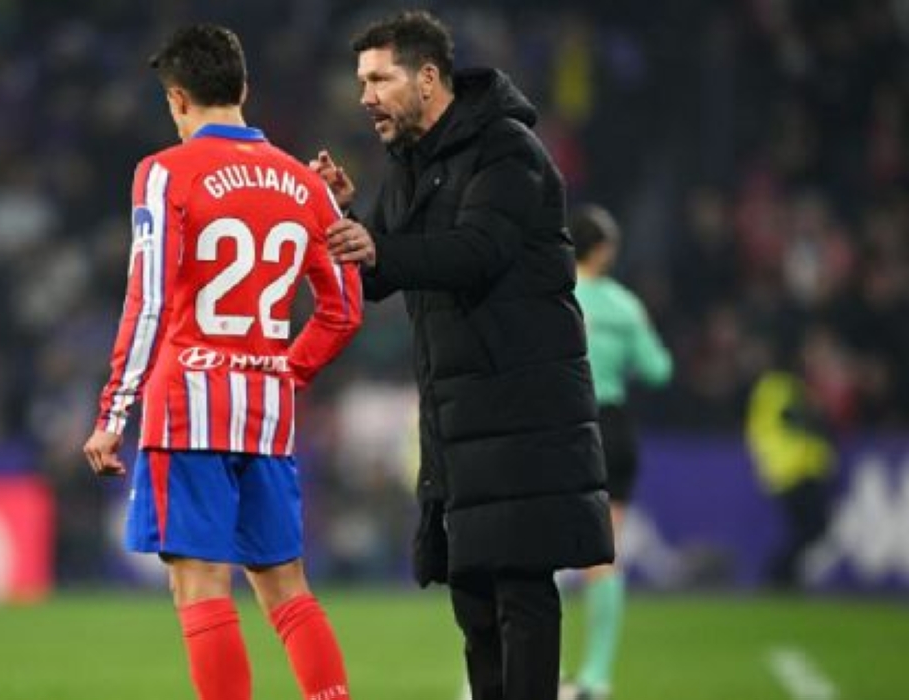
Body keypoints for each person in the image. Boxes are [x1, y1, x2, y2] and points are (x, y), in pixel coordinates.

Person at [314, 11, 613, 700]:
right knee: (474, 596)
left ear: (427, 77)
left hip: (524, 408)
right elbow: (380, 271)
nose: (364, 96)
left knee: (521, 586)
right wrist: (343, 221)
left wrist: (378, 245)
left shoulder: (507, 150)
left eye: (379, 78)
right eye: (361, 81)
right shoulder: (413, 166)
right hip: (459, 415)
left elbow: (478, 253)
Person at [82, 24, 362, 700]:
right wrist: (285, 373)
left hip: (186, 409)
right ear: (244, 89)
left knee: (200, 586)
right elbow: (343, 307)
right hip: (266, 414)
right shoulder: (306, 183)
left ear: (177, 99)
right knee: (287, 590)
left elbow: (147, 300)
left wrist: (112, 413)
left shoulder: (163, 172)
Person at [563, 204, 673, 700]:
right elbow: (658, 369)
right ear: (604, 250)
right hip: (615, 429)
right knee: (604, 557)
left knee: (538, 547)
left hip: (566, 425)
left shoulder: (559, 295)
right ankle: (597, 676)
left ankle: (535, 665)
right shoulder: (626, 306)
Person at [745, 346, 835, 590]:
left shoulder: (778, 386)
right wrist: (816, 411)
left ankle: (785, 576)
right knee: (812, 527)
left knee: (808, 528)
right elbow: (793, 417)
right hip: (793, 470)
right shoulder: (780, 385)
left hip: (792, 469)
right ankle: (778, 574)